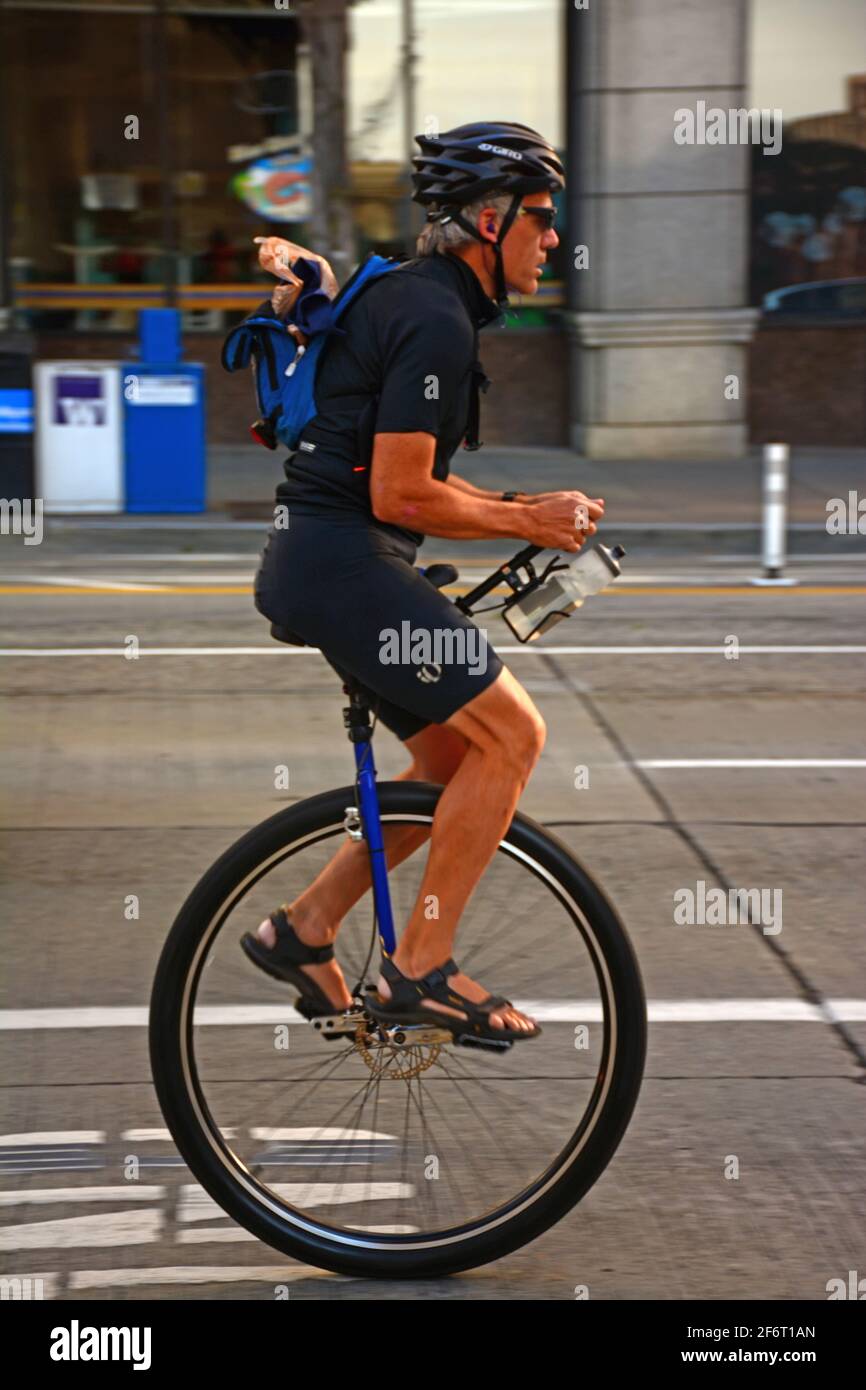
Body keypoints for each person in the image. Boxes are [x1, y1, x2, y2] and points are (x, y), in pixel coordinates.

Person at [242, 121, 605, 1043]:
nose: (553, 237)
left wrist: (524, 510)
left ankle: (306, 927)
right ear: (489, 220)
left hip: (330, 557)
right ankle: (421, 966)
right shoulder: (435, 317)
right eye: (539, 217)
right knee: (514, 737)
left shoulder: (420, 301)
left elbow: (412, 487)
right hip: (341, 560)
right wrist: (530, 519)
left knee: (451, 761)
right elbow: (404, 489)